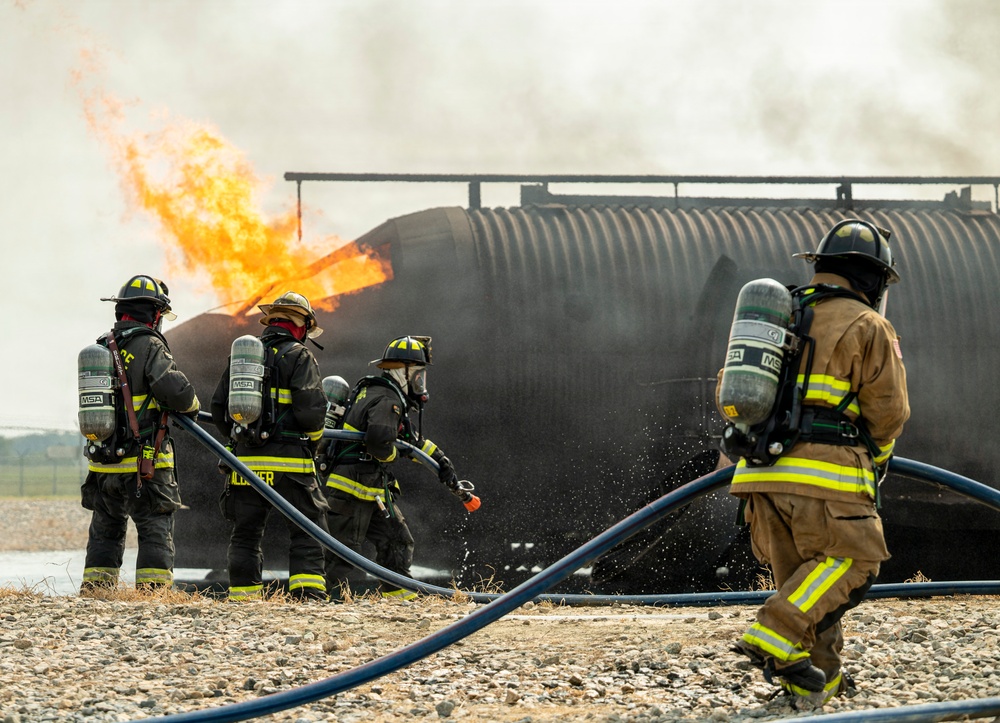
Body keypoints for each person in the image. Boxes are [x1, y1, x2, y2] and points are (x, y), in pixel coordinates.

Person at [718, 219, 910, 702]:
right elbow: (889, 413)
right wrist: (877, 460)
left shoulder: (780, 314)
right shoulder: (868, 324)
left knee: (809, 587)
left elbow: (733, 386)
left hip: (759, 478)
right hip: (826, 476)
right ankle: (773, 631)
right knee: (855, 560)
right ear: (872, 279)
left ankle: (817, 684)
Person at [324, 335, 480, 601]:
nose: (420, 381)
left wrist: (442, 463)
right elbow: (380, 443)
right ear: (401, 371)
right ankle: (324, 603)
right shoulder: (387, 399)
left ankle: (400, 600)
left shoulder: (383, 394)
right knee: (342, 551)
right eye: (417, 374)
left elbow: (412, 441)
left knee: (396, 540)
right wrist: (397, 453)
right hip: (353, 489)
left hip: (372, 490)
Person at [81, 275, 200, 592]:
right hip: (144, 462)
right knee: (155, 525)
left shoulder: (102, 347)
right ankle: (152, 595)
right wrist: (192, 407)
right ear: (155, 313)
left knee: (105, 530)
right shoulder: (149, 345)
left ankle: (96, 593)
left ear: (121, 311)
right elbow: (177, 393)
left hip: (103, 465)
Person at [211, 291, 331, 601]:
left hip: (245, 466)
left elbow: (218, 407)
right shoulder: (299, 355)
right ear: (301, 325)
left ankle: (244, 598)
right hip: (290, 464)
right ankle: (307, 597)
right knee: (308, 530)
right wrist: (312, 445)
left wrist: (238, 442)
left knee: (246, 534)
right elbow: (312, 412)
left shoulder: (243, 358)